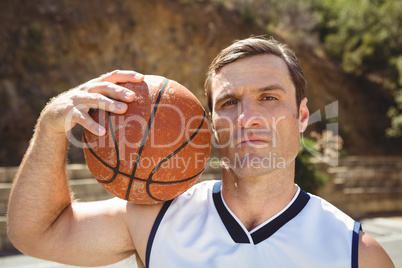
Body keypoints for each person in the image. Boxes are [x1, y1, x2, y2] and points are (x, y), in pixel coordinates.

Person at [7, 36, 394, 267]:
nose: (248, 117)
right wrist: (50, 127)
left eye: (269, 97)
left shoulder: (356, 253)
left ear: (302, 115)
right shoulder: (154, 218)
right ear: (207, 124)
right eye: (229, 103)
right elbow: (35, 233)